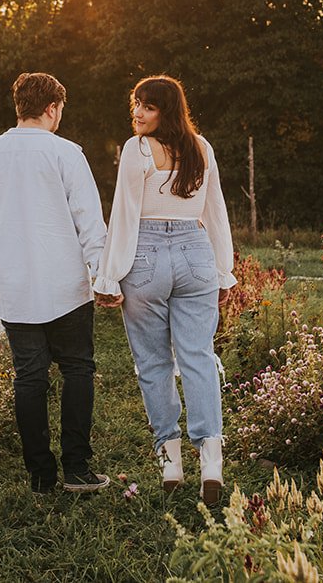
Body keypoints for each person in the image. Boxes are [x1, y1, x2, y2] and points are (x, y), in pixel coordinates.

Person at [0, 71, 112, 494]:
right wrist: (102, 274)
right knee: (77, 369)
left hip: (13, 285)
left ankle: (41, 478)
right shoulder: (66, 153)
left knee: (29, 377)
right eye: (60, 109)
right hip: (66, 284)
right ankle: (78, 470)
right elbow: (89, 221)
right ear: (52, 108)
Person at [93, 75, 237, 505]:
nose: (137, 112)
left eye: (148, 106)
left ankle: (170, 461)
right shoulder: (202, 147)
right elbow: (216, 214)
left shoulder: (137, 150)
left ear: (166, 111)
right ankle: (211, 461)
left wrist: (108, 276)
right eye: (136, 103)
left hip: (147, 254)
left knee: (153, 362)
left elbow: (124, 215)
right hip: (196, 255)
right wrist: (223, 272)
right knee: (198, 356)